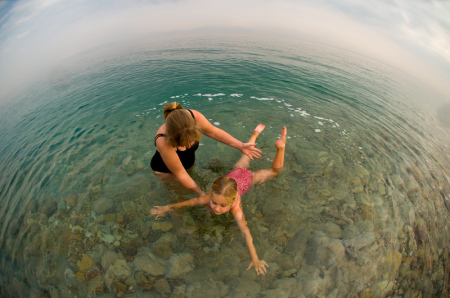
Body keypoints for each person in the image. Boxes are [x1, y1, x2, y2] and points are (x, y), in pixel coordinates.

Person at [150, 124, 287, 275]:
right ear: (211, 193)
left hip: (247, 178)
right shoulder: (211, 196)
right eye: (214, 203)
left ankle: (280, 147)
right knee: (245, 157)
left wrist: (254, 258)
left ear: (233, 200)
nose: (216, 208)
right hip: (236, 173)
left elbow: (245, 232)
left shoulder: (236, 208)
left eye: (223, 205)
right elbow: (191, 202)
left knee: (274, 172)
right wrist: (166, 208)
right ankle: (254, 134)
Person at [150, 102, 262, 196]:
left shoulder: (195, 117)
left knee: (192, 184)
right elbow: (181, 174)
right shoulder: (163, 141)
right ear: (172, 137)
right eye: (184, 143)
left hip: (186, 165)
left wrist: (240, 145)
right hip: (165, 170)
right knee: (182, 193)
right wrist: (201, 193)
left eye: (192, 140)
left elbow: (214, 132)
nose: (189, 146)